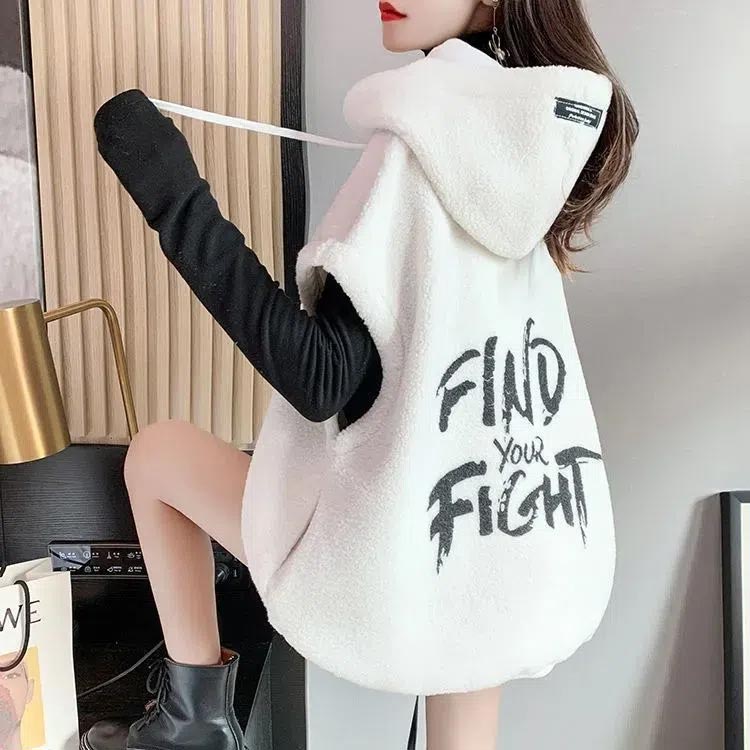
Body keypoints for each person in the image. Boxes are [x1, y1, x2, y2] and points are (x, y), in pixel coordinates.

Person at [81, 2, 638, 749]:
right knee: (469, 667)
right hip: (508, 536)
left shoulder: (417, 147)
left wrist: (171, 193)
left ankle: (195, 725)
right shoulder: (522, 141)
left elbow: (319, 377)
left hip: (391, 556)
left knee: (157, 455)